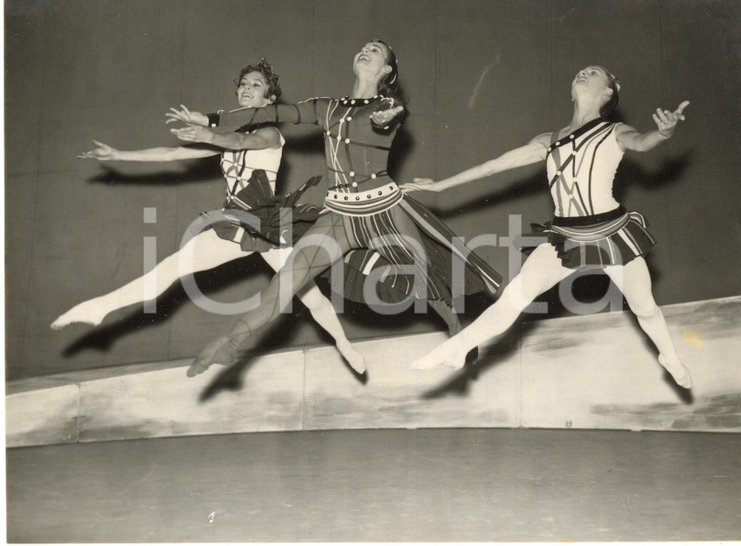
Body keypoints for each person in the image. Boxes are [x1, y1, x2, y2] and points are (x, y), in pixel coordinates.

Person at [166, 40, 503, 377]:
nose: (365, 51)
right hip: (339, 215)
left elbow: (391, 113)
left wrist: (390, 116)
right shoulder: (327, 107)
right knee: (286, 282)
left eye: (376, 50)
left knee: (423, 274)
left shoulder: (385, 103)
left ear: (386, 70)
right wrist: (210, 120)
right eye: (363, 47)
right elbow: (272, 113)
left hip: (384, 209)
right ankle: (231, 343)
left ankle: (457, 332)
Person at [51, 59, 367, 374]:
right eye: (244, 84)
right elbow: (171, 153)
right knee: (172, 267)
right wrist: (118, 155)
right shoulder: (224, 138)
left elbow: (242, 141)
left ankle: (343, 344)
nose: (247, 89)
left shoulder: (271, 134)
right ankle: (100, 308)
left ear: (269, 101)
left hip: (269, 226)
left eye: (256, 85)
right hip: (234, 225)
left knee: (308, 293)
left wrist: (208, 134)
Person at [405, 65, 692, 389]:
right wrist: (440, 186)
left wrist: (664, 133)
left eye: (594, 72)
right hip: (566, 237)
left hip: (612, 234)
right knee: (513, 297)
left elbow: (641, 142)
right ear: (572, 91)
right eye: (580, 72)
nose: (583, 73)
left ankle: (669, 356)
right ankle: (458, 347)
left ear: (608, 91)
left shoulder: (613, 131)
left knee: (645, 308)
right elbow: (492, 166)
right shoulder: (549, 141)